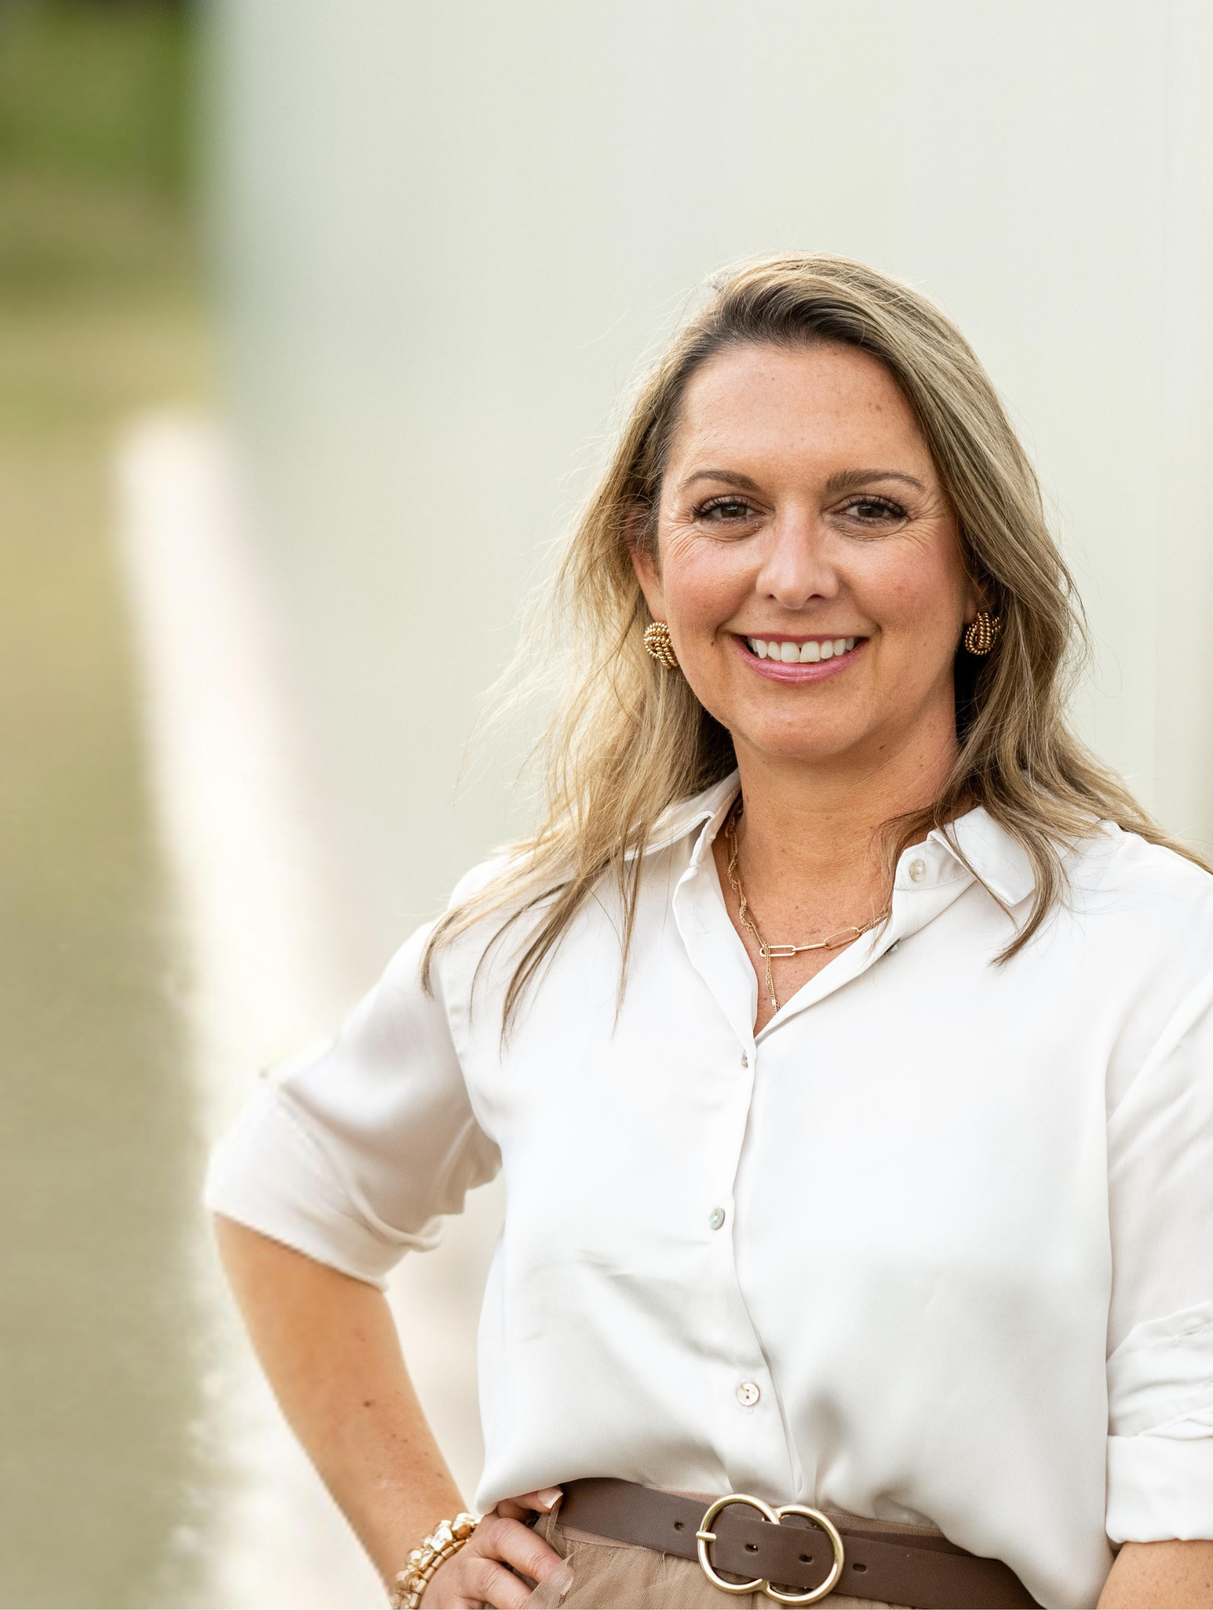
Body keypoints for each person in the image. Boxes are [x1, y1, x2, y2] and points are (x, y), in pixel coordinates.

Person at [206, 255, 1213, 1610]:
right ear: (649, 564)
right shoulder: (536, 927)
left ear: (981, 579)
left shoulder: (1152, 953)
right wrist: (424, 1539)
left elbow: (1191, 1515)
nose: (791, 574)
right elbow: (287, 1197)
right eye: (728, 510)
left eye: (868, 509)